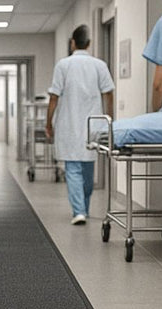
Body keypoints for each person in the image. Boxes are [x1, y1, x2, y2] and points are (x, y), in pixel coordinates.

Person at [46, 25, 114, 225]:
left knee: (73, 169)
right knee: (87, 168)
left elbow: (54, 97)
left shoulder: (63, 65)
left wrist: (48, 122)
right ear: (89, 43)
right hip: (94, 126)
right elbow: (108, 93)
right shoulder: (99, 65)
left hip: (69, 124)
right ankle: (83, 208)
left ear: (72, 43)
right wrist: (109, 120)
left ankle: (79, 211)